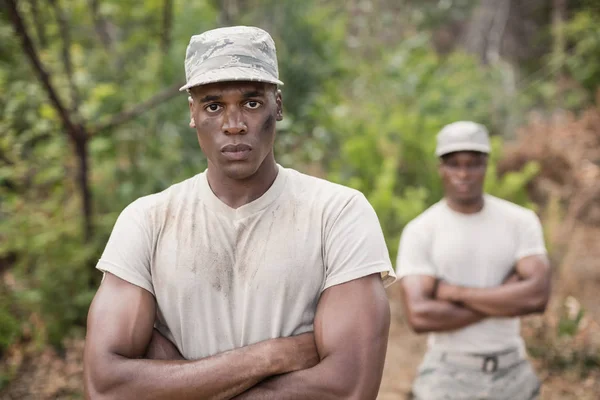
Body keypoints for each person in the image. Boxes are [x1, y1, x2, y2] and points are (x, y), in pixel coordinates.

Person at [83, 25, 396, 399]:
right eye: (213, 106)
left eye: (251, 102)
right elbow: (107, 386)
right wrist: (273, 355)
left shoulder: (338, 213)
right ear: (193, 113)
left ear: (277, 106)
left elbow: (348, 388)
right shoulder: (148, 220)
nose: (233, 125)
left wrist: (180, 381)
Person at [396, 121, 551, 400]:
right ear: (440, 168)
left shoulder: (520, 221)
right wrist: (505, 298)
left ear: (486, 165)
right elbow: (419, 316)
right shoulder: (421, 230)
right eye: (454, 164)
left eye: (473, 164)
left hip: (512, 369)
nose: (463, 173)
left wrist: (453, 293)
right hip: (447, 372)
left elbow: (537, 297)